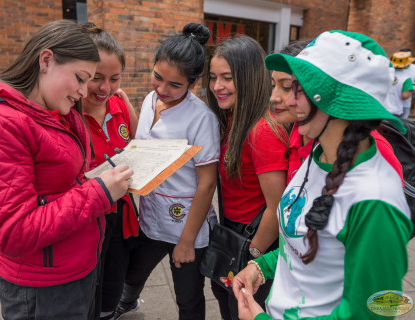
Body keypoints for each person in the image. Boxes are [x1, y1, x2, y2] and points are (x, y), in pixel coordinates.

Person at [0, 20, 133, 320]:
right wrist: (99, 192)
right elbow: (14, 232)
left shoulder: (53, 110)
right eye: (80, 77)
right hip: (43, 286)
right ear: (46, 60)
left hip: (75, 267)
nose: (84, 90)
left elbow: (61, 184)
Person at [234, 30, 412, 320]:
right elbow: (308, 243)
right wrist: (263, 266)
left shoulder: (375, 200)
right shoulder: (318, 155)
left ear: (337, 100)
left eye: (298, 89)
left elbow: (370, 314)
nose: (283, 100)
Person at [114, 23, 220, 320]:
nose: (162, 89)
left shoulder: (202, 118)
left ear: (194, 83)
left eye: (174, 85)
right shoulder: (150, 100)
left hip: (186, 221)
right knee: (133, 272)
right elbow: (142, 141)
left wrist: (186, 242)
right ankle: (127, 303)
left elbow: (207, 183)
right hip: (150, 214)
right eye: (157, 77)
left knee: (187, 297)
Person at [205, 35, 288, 319]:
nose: (217, 86)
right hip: (232, 231)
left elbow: (277, 207)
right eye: (214, 77)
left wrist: (252, 256)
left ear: (250, 78)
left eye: (227, 77)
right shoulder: (233, 119)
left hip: (253, 239)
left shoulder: (262, 132)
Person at [271, 40, 404, 183]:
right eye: (272, 85)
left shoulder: (374, 153)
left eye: (288, 87)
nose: (273, 97)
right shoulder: (302, 130)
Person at [80, 23, 139, 320]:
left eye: (114, 78)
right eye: (96, 78)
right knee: (86, 291)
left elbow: (138, 148)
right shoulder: (68, 111)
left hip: (122, 214)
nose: (105, 88)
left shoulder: (119, 103)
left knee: (112, 289)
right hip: (86, 219)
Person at [385, 50, 415, 118]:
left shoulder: (386, 74)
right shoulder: (406, 78)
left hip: (384, 108)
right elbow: (405, 96)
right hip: (397, 110)